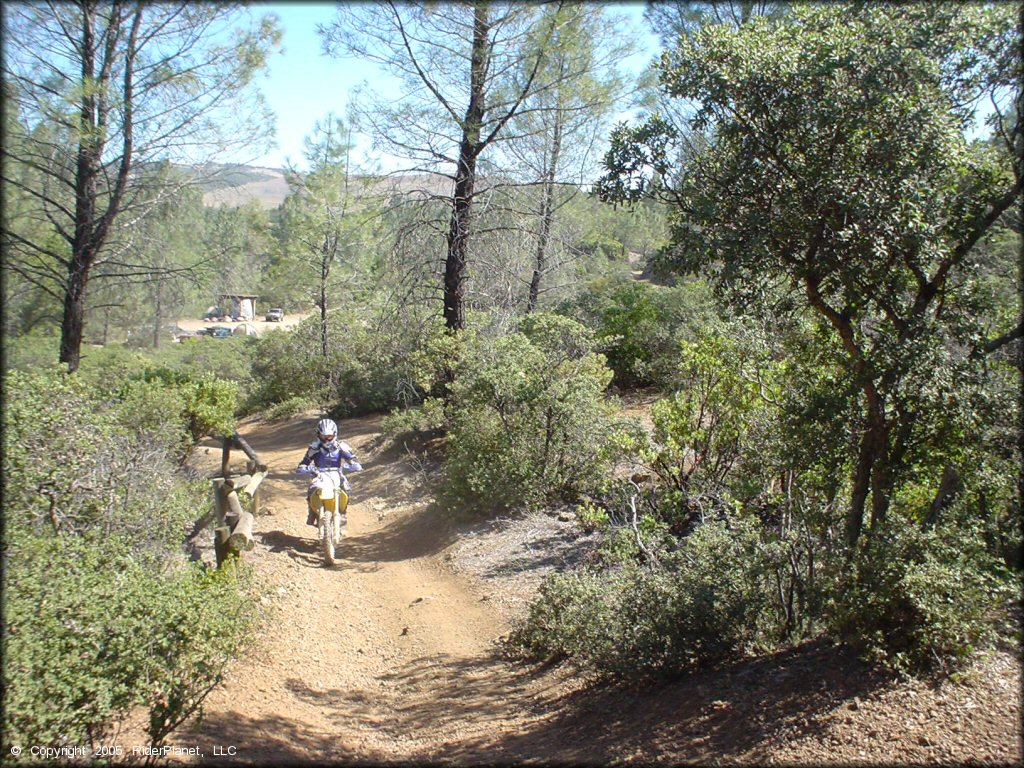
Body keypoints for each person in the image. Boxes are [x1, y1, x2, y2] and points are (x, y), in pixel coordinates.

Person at [297, 418, 361, 526]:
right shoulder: (314, 448)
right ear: (318, 435)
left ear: (335, 434)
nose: (326, 439)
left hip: (337, 473)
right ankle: (312, 513)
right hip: (320, 474)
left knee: (346, 487)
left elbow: (352, 459)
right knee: (312, 489)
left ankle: (343, 511)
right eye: (323, 436)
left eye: (329, 436)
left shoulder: (341, 446)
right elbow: (304, 462)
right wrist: (305, 468)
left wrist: (352, 465)